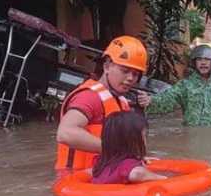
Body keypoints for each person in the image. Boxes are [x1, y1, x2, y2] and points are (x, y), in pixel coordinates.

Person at [55, 35, 149, 170]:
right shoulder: (89, 97)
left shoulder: (121, 101)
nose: (130, 78)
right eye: (125, 71)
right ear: (107, 67)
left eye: (135, 74)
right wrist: (117, 150)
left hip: (102, 177)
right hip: (77, 180)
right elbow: (65, 133)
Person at [139, 45, 211, 127]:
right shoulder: (185, 85)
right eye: (199, 59)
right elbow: (168, 99)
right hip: (191, 138)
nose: (203, 62)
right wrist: (150, 101)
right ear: (194, 63)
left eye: (207, 59)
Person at [91, 111, 165, 184]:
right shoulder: (128, 166)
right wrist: (162, 178)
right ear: (132, 141)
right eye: (144, 136)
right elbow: (137, 174)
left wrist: (139, 158)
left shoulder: (100, 162)